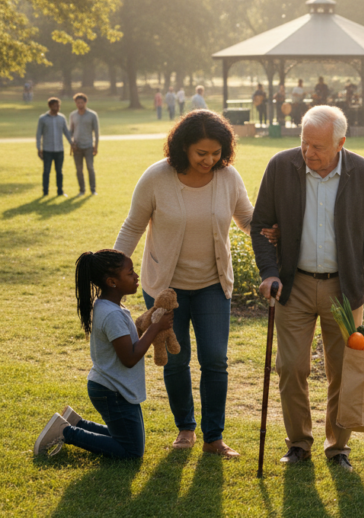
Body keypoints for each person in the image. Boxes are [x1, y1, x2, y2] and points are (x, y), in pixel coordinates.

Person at [250, 105, 364, 471]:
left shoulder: (363, 173)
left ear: (341, 142)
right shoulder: (282, 166)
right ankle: (298, 443)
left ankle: (338, 447)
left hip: (344, 291)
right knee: (291, 367)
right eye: (304, 143)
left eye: (318, 147)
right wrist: (269, 272)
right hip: (293, 285)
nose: (308, 153)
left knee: (344, 371)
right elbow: (260, 225)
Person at [114, 110, 253, 459]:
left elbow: (248, 220)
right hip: (165, 286)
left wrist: (272, 233)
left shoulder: (228, 177)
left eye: (216, 152)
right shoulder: (157, 178)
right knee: (176, 361)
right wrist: (111, 274)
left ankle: (214, 437)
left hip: (211, 285)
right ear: (183, 148)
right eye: (201, 153)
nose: (209, 160)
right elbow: (133, 227)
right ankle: (185, 428)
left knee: (215, 360)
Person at [33, 250, 174, 459]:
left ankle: (76, 423)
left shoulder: (109, 306)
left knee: (127, 438)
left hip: (111, 387)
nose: (136, 276)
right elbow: (129, 358)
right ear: (112, 282)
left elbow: (129, 341)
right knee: (132, 451)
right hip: (112, 391)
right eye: (130, 273)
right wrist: (155, 328)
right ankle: (65, 432)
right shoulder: (111, 315)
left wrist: (146, 326)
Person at [36, 97, 72, 197]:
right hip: (47, 149)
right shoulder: (43, 119)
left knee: (59, 172)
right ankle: (45, 191)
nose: (57, 107)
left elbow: (66, 132)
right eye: (55, 105)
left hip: (59, 150)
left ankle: (60, 191)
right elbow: (39, 134)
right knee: (46, 171)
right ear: (50, 106)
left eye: (58, 105)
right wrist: (39, 148)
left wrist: (72, 143)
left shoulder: (62, 118)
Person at [69, 93, 100, 197]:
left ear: (85, 102)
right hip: (77, 147)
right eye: (77, 102)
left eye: (81, 102)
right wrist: (71, 143)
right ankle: (82, 190)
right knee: (78, 169)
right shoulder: (73, 115)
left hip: (88, 146)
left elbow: (96, 132)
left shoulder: (92, 115)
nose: (79, 104)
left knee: (90, 168)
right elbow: (71, 131)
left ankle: (93, 189)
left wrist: (96, 146)